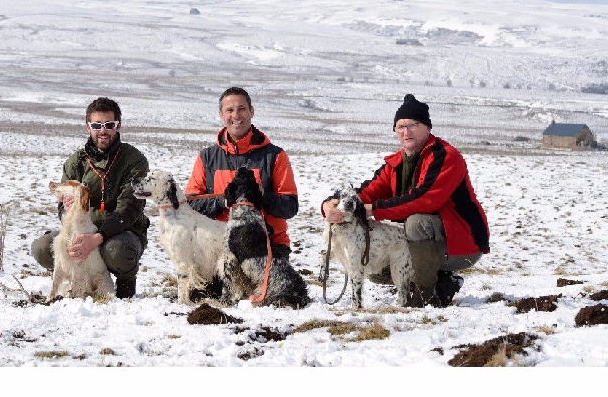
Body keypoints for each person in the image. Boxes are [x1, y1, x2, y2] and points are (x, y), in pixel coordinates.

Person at [322, 94, 490, 307]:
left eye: (413, 125)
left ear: (428, 128)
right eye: (400, 126)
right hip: (427, 243)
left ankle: (424, 294)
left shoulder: (446, 156)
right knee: (373, 264)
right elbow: (364, 193)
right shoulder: (395, 164)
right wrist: (331, 205)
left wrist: (373, 209)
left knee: (416, 222)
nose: (406, 131)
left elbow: (425, 200)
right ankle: (442, 283)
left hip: (462, 245)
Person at [31, 96, 150, 299]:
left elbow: (129, 208)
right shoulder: (76, 162)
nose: (103, 131)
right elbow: (61, 205)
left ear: (118, 126)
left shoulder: (134, 160)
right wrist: (67, 210)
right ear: (88, 127)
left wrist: (96, 238)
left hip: (119, 233)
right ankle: (73, 281)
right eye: (97, 125)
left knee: (117, 251)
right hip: (82, 230)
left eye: (109, 125)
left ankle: (125, 285)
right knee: (43, 247)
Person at [186, 86, 299, 260]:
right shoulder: (206, 158)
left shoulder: (275, 156)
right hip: (217, 245)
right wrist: (223, 201)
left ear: (251, 112)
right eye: (230, 110)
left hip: (268, 246)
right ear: (221, 115)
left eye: (241, 109)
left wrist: (262, 197)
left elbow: (290, 207)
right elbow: (191, 203)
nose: (236, 115)